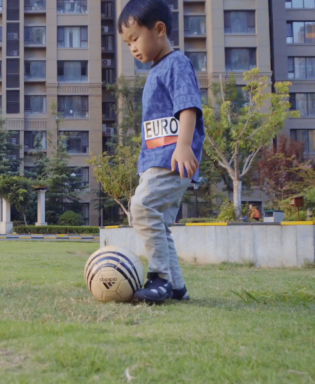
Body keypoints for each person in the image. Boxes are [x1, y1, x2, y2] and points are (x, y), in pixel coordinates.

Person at [118, 0, 205, 304]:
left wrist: (183, 146)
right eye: (127, 43)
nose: (132, 48)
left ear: (159, 29)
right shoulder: (155, 72)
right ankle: (177, 287)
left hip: (173, 159)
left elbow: (188, 106)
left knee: (141, 207)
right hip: (155, 161)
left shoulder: (176, 64)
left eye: (135, 39)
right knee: (158, 222)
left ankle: (160, 278)